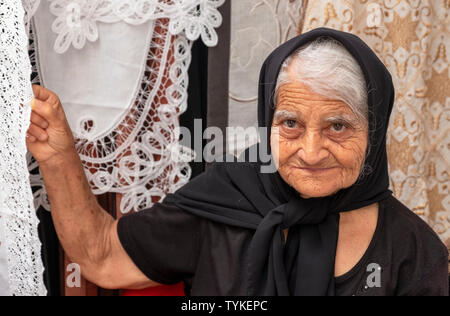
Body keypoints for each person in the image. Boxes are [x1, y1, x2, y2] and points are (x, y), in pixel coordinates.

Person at [26, 27, 448, 296]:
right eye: (291, 124)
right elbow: (101, 255)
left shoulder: (412, 250)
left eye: (338, 126)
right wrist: (59, 156)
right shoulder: (227, 200)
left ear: (373, 132)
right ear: (267, 122)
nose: (312, 150)